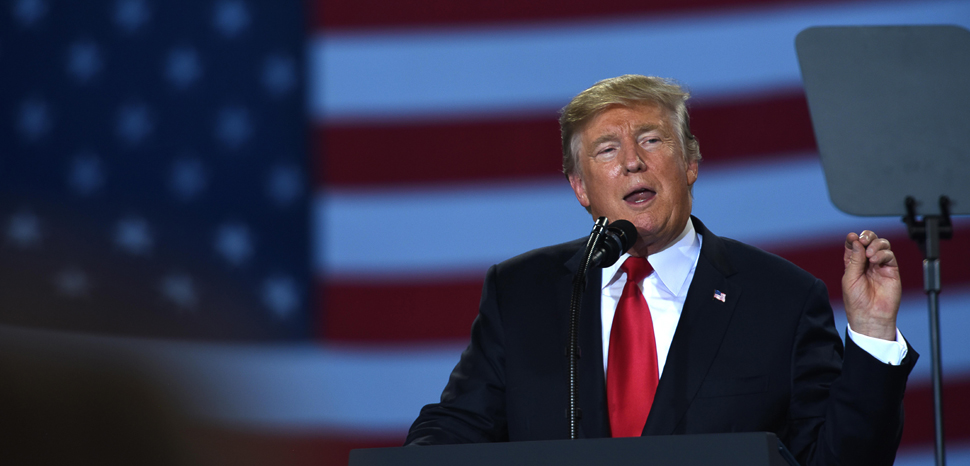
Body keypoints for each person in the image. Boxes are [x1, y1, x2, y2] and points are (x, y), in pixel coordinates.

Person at [405, 75, 917, 466]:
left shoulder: (779, 297)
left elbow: (841, 460)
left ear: (690, 162)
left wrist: (872, 335)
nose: (632, 162)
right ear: (580, 187)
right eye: (607, 150)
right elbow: (459, 428)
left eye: (651, 140)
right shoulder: (522, 293)